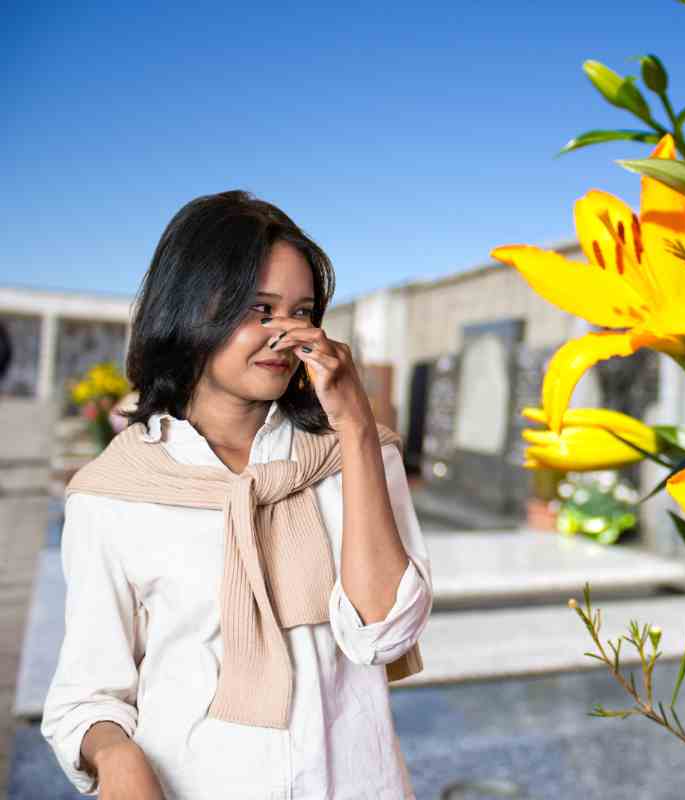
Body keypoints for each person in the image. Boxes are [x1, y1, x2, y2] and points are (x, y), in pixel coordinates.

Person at [40, 190, 433, 799]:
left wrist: (355, 426)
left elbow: (384, 634)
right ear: (191, 309)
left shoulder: (357, 458)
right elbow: (87, 695)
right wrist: (115, 754)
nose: (286, 335)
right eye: (261, 309)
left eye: (301, 311)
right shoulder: (112, 495)